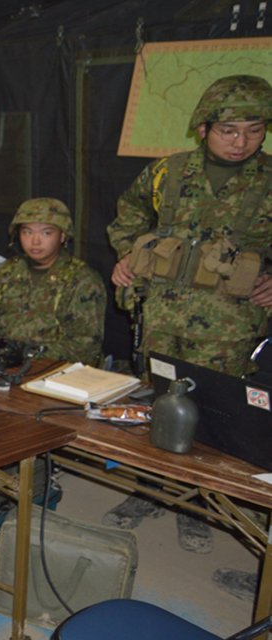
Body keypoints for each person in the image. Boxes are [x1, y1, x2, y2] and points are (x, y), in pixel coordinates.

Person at [104, 75, 272, 552]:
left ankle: (203, 505)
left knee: (218, 416)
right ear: (203, 129)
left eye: (254, 130)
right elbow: (129, 216)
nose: (241, 142)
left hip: (229, 326)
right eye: (228, 130)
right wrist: (128, 256)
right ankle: (152, 490)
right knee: (159, 402)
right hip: (163, 315)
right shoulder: (167, 172)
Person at [0, 197, 106, 365]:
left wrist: (24, 357)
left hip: (53, 372)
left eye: (46, 233)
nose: (35, 241)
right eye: (27, 232)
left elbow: (84, 346)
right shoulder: (6, 271)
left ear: (62, 236)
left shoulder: (82, 280)